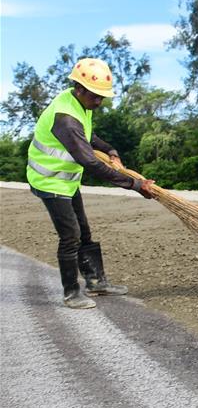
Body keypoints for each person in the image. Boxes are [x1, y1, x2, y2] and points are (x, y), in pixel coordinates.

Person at [26, 57, 155, 309]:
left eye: (102, 96)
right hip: (49, 182)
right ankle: (71, 293)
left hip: (67, 181)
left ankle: (96, 282)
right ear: (79, 89)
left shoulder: (78, 104)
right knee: (70, 236)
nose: (99, 101)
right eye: (95, 96)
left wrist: (110, 149)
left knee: (84, 231)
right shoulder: (65, 118)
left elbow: (89, 136)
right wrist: (136, 185)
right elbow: (92, 163)